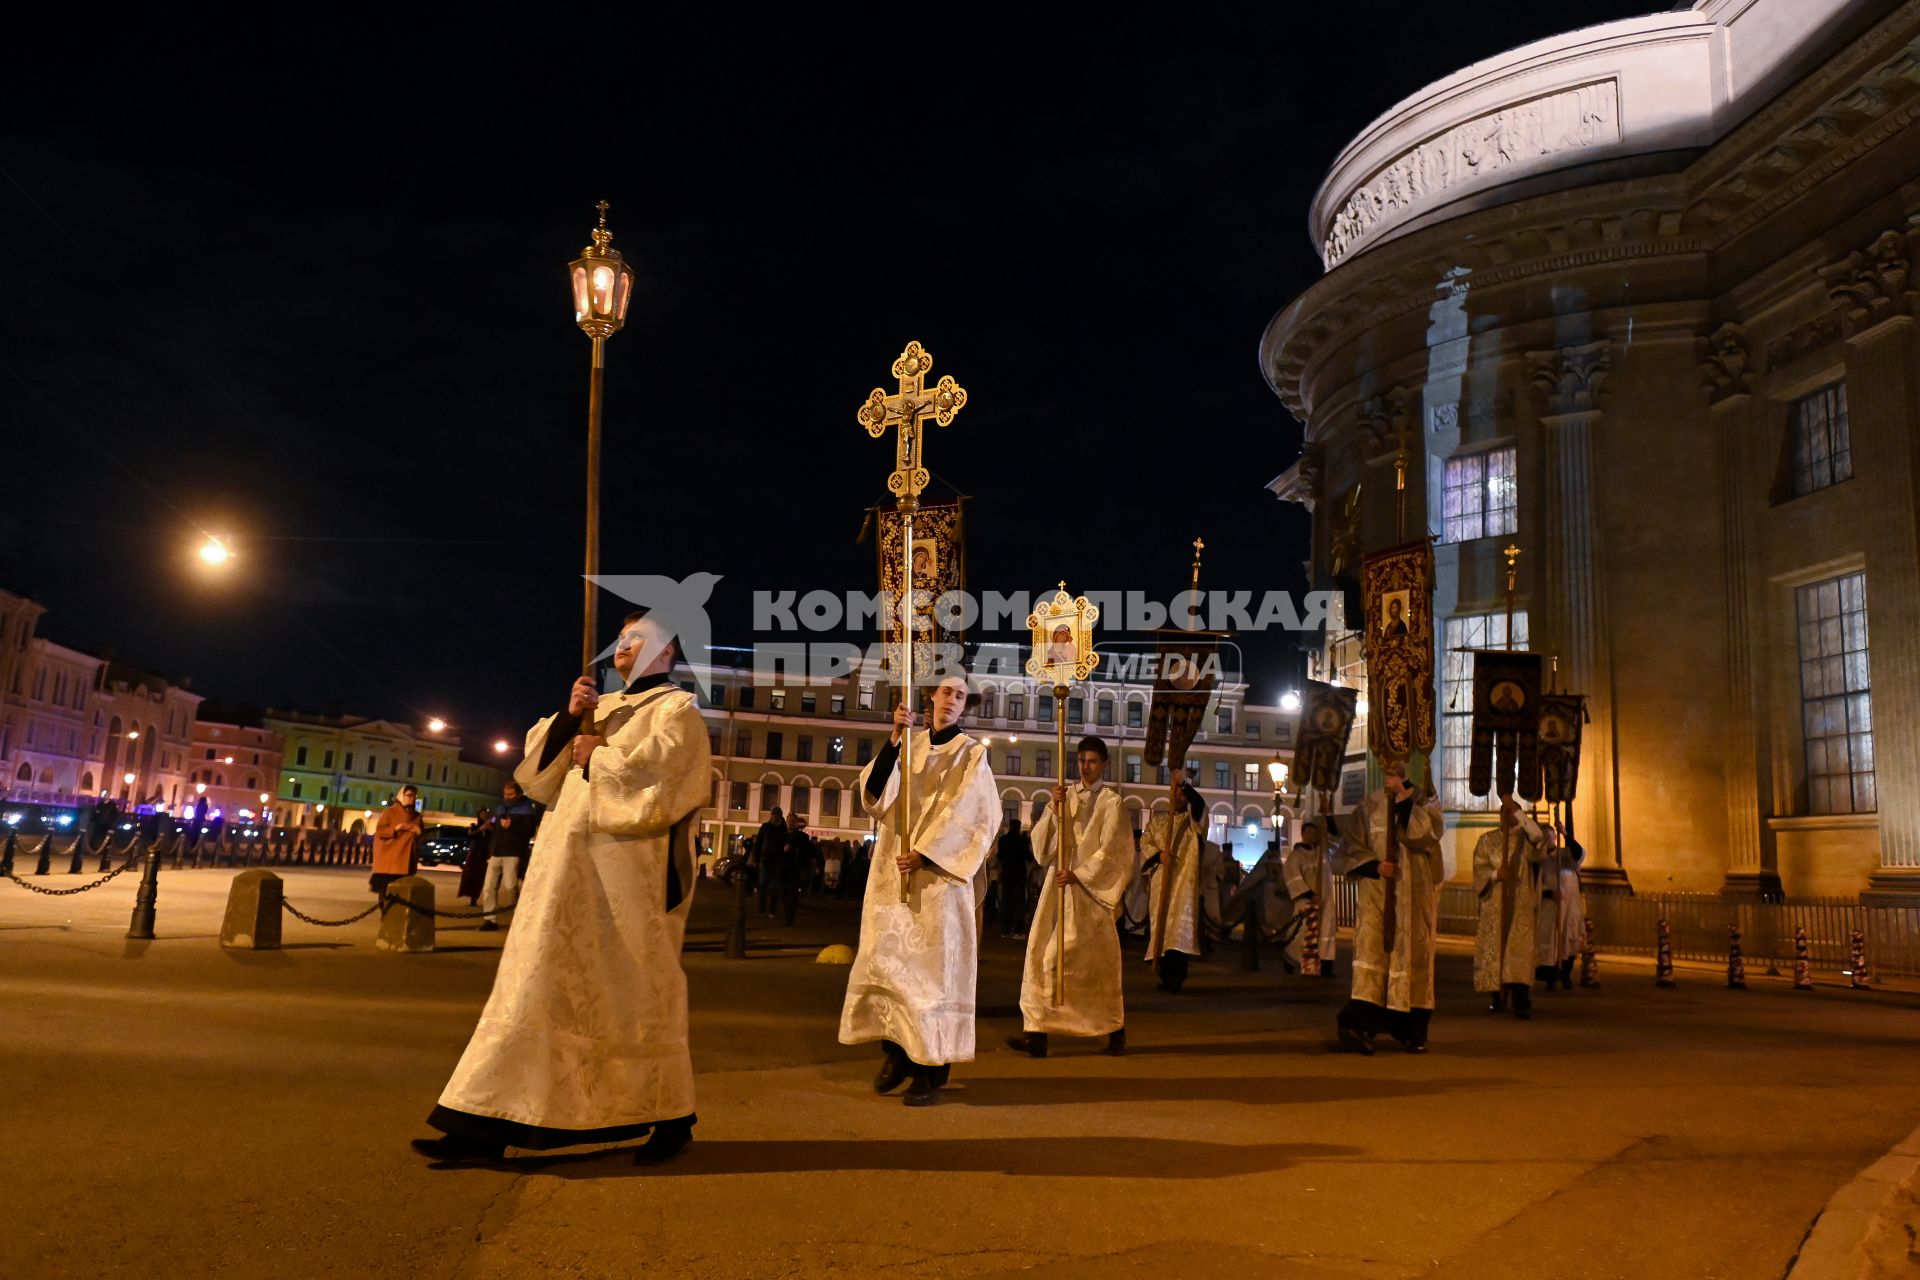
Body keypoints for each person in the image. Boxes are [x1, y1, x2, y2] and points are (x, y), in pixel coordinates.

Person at [412, 608, 710, 1165]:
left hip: (624, 877)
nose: (623, 645)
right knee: (533, 984)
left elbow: (670, 780)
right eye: (621, 638)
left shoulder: (677, 711)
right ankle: (483, 1120)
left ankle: (670, 1116)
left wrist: (599, 753)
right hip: (562, 868)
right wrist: (571, 720)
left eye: (638, 638)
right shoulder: (600, 707)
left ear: (668, 653)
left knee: (632, 991)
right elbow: (539, 780)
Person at [839, 675, 998, 1108]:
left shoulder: (972, 756)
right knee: (891, 965)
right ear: (931, 697)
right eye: (946, 691)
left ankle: (931, 1072)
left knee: (932, 979)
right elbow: (875, 798)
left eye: (961, 696)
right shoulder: (908, 745)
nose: (952, 700)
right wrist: (893, 738)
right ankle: (897, 1053)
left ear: (965, 707)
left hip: (938, 884)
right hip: (894, 876)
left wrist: (926, 855)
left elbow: (977, 816)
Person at [1009, 735, 1134, 1058]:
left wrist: (1080, 874)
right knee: (1042, 957)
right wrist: (1053, 808)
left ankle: (1112, 1028)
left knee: (1094, 965)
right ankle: (1036, 1032)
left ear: (1104, 764)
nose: (1086, 767)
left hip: (1088, 894)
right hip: (1058, 888)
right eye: (1081, 761)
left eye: (1092, 761)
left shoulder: (1112, 803)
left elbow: (1114, 851)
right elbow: (1042, 849)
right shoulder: (1065, 798)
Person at [1332, 759, 1447, 1054]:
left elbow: (1429, 835)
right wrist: (1374, 866)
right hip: (1377, 895)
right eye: (1386, 761)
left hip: (1414, 897)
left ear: (1407, 763)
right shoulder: (1369, 806)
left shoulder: (1424, 799)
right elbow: (1351, 846)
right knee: (1374, 957)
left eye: (1398, 760)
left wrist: (1405, 799)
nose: (1392, 766)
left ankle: (1411, 1030)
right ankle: (1359, 1025)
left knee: (1411, 958)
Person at [1139, 771, 1217, 993]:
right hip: (1160, 884)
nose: (1180, 797)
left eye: (1183, 794)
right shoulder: (1158, 821)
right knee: (1162, 931)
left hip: (1183, 885)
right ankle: (1164, 973)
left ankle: (1176, 977)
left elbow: (1200, 806)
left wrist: (1184, 784)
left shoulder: (1193, 824)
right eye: (1176, 792)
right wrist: (1157, 856)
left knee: (1178, 933)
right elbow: (1146, 843)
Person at [1472, 795, 1547, 1018]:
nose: (1506, 817)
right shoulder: (1487, 840)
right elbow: (1479, 868)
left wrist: (1518, 811)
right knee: (1496, 949)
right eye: (1504, 812)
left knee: (1518, 952)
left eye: (1512, 813)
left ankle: (1521, 1000)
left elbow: (1539, 838)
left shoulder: (1526, 841)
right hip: (1495, 904)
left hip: (1520, 905)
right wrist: (1495, 874)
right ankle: (1497, 996)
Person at [1281, 818, 1340, 977]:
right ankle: (1293, 960)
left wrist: (1329, 818)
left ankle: (1326, 967)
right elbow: (1293, 878)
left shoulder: (1323, 851)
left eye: (1315, 833)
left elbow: (1337, 840)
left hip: (1325, 900)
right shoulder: (1296, 856)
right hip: (1307, 901)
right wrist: (1309, 894)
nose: (1312, 835)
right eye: (1308, 832)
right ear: (1302, 834)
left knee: (1326, 934)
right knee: (1303, 935)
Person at [1537, 822, 1587, 990]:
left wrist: (1565, 834)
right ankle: (1551, 978)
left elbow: (1578, 853)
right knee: (1552, 942)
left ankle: (1566, 975)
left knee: (1569, 941)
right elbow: (1535, 884)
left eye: (1550, 836)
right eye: (1544, 837)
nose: (1547, 840)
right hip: (1551, 908)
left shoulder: (1566, 855)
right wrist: (1549, 894)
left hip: (1570, 907)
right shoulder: (1538, 859)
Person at [370, 784, 424, 910]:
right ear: (401, 796)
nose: (412, 798)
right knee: (385, 892)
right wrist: (396, 828)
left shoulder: (417, 816)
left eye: (414, 796)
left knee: (403, 893)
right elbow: (380, 832)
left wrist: (418, 832)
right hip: (389, 862)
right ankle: (385, 914)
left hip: (407, 861)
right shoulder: (390, 812)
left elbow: (421, 836)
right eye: (409, 795)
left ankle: (397, 916)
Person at [491, 780, 539, 881]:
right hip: (496, 852)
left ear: (518, 794)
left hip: (513, 853)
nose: (507, 797)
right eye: (505, 794)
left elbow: (530, 831)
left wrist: (511, 826)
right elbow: (495, 831)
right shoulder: (501, 808)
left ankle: (514, 897)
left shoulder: (527, 809)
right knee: (488, 888)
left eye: (510, 794)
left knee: (509, 886)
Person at [996, 817, 1033, 938]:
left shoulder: (1003, 840)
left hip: (1006, 875)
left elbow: (1000, 857)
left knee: (1006, 903)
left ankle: (1005, 930)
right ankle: (1018, 930)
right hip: (1019, 876)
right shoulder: (1022, 840)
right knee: (1019, 903)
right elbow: (1029, 857)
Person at [755, 807, 787, 917]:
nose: (774, 817)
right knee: (763, 885)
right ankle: (761, 909)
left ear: (780, 816)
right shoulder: (765, 827)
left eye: (776, 815)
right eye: (773, 814)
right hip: (765, 859)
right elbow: (758, 843)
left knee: (775, 887)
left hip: (778, 861)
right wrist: (756, 858)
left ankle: (772, 910)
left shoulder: (783, 829)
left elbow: (786, 843)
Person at [457, 808, 493, 905]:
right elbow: (471, 836)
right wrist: (480, 829)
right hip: (474, 853)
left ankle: (475, 897)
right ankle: (470, 897)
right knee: (470, 874)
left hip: (485, 854)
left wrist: (490, 828)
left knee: (480, 877)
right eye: (482, 814)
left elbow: (495, 837)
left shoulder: (492, 827)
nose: (484, 816)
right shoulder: (474, 826)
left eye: (486, 814)